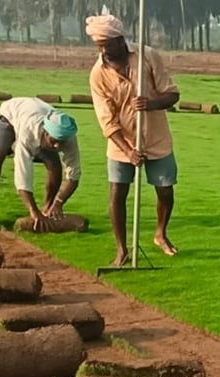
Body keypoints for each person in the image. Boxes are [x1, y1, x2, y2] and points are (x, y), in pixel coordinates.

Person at [86, 14, 181, 267]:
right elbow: (107, 121)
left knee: (165, 190)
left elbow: (172, 95)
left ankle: (160, 233)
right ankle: (121, 250)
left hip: (156, 138)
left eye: (108, 44)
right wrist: (128, 151)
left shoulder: (147, 57)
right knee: (118, 192)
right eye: (99, 46)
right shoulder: (98, 74)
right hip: (121, 145)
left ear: (120, 41)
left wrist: (151, 104)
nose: (104, 50)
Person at [0, 97, 81, 232]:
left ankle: (48, 209)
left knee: (55, 166)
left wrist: (58, 203)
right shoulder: (28, 133)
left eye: (61, 142)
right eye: (54, 141)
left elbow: (74, 176)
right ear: (45, 133)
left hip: (35, 116)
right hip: (9, 117)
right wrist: (33, 211)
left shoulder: (68, 137)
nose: (57, 145)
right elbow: (22, 178)